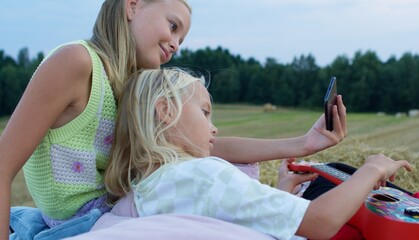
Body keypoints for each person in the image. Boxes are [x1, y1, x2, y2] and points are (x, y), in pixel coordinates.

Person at [1, 0, 348, 239]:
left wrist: (303, 144)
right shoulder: (76, 62)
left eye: (182, 37)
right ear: (133, 5)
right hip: (84, 226)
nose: (176, 44)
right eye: (173, 25)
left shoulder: (129, 84)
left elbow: (199, 146)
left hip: (116, 216)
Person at [105, 67, 412, 240]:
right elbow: (320, 223)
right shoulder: (204, 174)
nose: (214, 129)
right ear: (166, 111)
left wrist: (283, 189)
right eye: (205, 112)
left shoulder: (144, 189)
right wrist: (371, 170)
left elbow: (227, 227)